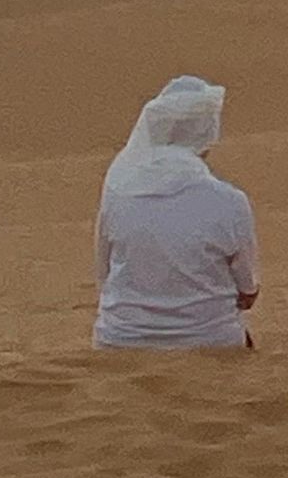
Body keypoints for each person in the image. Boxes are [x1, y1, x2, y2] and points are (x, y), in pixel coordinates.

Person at [94, 76, 259, 350]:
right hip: (210, 341)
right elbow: (248, 292)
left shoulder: (117, 192)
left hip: (119, 338)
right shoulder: (230, 201)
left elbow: (103, 271)